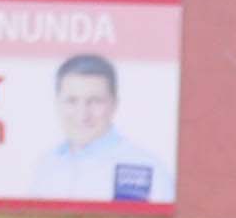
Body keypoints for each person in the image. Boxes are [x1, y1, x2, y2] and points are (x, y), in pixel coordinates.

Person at [27, 53, 167, 203]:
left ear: (114, 104)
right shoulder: (47, 164)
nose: (82, 114)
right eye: (71, 101)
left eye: (95, 101)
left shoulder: (142, 167)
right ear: (57, 103)